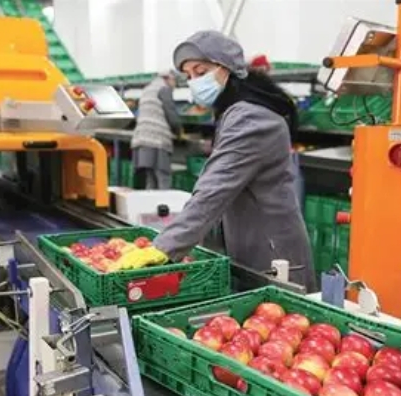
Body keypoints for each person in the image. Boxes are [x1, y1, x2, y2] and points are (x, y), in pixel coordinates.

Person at [118, 31, 316, 292]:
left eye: (201, 72)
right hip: (250, 244)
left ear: (228, 69)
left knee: (281, 312)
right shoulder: (235, 111)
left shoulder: (252, 118)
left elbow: (214, 188)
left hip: (273, 254)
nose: (194, 82)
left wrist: (164, 247)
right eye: (189, 76)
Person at [131, 70, 182, 190]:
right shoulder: (164, 89)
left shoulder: (147, 89)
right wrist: (179, 130)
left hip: (142, 138)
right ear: (169, 79)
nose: (174, 86)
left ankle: (151, 201)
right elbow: (170, 112)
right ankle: (165, 201)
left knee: (151, 177)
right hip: (157, 139)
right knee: (163, 176)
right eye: (175, 82)